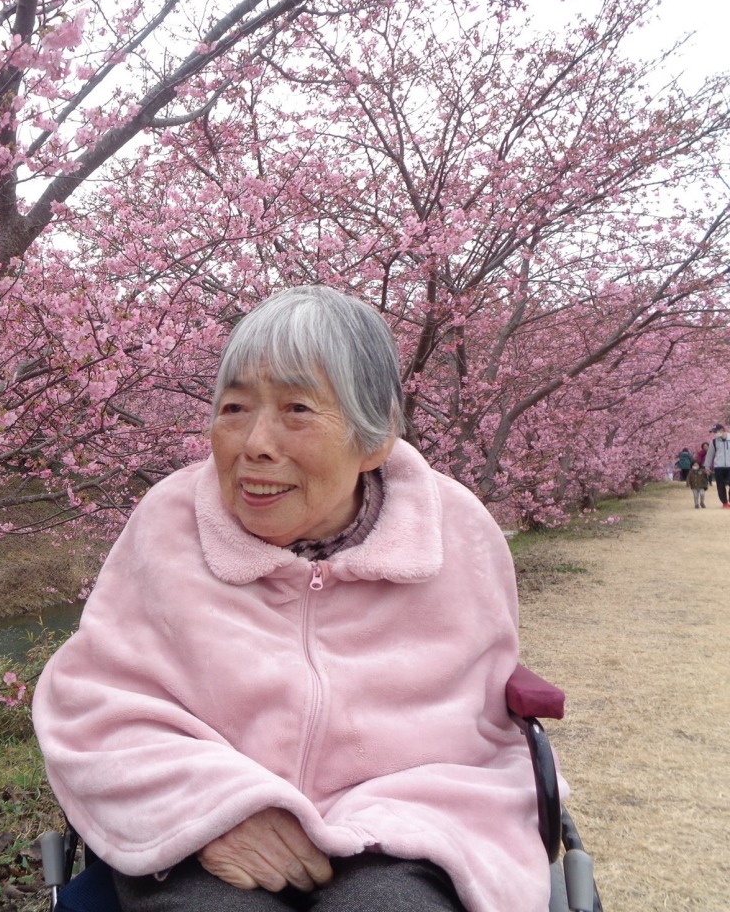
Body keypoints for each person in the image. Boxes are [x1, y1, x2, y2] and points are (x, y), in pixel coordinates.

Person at [34, 286, 555, 912]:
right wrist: (219, 809)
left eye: (297, 409)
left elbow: (478, 719)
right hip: (201, 819)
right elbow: (95, 705)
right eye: (234, 408)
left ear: (375, 437)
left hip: (416, 818)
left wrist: (380, 824)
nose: (255, 442)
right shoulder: (167, 526)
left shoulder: (455, 531)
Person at [706, 424, 730, 508]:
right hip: (718, 467)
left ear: (722, 429)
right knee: (720, 485)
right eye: (714, 432)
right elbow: (709, 455)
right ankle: (724, 503)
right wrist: (707, 467)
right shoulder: (714, 442)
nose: (715, 433)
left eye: (716, 431)